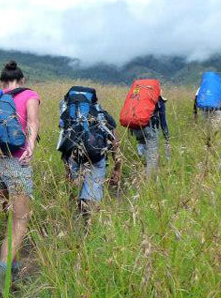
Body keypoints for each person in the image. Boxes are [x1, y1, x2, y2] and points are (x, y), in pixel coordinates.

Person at [0, 61, 40, 293]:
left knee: (10, 217)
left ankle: (12, 274)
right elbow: (32, 121)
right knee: (20, 220)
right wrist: (30, 147)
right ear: (23, 79)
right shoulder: (30, 94)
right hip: (17, 162)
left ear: (2, 82)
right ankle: (1, 270)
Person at [57, 86, 122, 217]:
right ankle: (89, 222)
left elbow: (63, 143)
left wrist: (68, 170)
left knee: (76, 189)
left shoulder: (67, 116)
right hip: (96, 156)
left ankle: (76, 218)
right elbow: (115, 142)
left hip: (73, 157)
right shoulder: (101, 114)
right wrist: (117, 167)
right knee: (92, 193)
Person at [130, 92, 170, 176]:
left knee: (143, 153)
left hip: (136, 129)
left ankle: (139, 175)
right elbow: (163, 121)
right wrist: (167, 137)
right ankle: (149, 182)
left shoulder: (138, 98)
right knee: (152, 157)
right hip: (149, 129)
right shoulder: (159, 100)